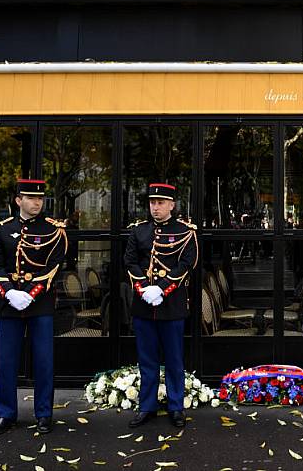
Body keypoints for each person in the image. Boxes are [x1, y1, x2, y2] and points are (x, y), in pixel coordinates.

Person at [0, 179, 68, 436]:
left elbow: (54, 266)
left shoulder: (53, 230)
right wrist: (9, 292)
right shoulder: (2, 230)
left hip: (40, 303)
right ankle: (6, 414)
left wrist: (30, 294)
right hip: (10, 304)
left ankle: (44, 414)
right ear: (18, 200)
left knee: (44, 361)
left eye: (40, 199)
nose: (37, 203)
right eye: (31, 198)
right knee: (6, 361)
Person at [124, 183, 198, 429]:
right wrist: (145, 288)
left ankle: (176, 407)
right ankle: (147, 407)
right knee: (147, 360)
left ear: (172, 205)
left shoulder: (184, 231)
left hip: (172, 305)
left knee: (175, 360)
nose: (156, 207)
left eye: (161, 203)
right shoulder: (139, 231)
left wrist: (162, 288)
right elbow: (130, 261)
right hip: (144, 304)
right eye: (153, 203)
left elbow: (187, 262)